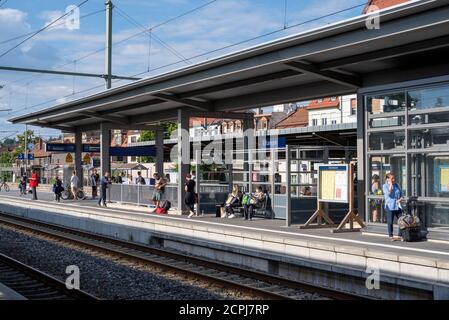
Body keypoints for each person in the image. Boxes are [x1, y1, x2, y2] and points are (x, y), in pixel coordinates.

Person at [383, 172, 404, 241]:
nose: (394, 180)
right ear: (388, 179)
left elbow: (402, 195)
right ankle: (390, 236)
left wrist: (400, 199)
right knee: (390, 222)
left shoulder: (397, 185)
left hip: (397, 206)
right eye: (392, 178)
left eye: (394, 178)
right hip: (390, 206)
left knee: (401, 220)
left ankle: (400, 235)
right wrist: (390, 184)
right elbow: (389, 193)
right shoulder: (385, 186)